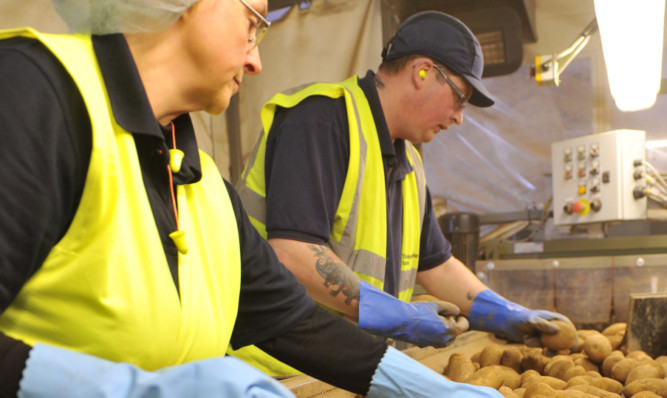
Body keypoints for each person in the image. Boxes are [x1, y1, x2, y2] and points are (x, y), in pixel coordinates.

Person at [0, 1, 505, 397]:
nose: (256, 60)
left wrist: (431, 390)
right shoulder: (33, 94)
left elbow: (294, 322)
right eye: (253, 23)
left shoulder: (204, 187)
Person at [237, 10, 575, 365]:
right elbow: (292, 254)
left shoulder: (409, 163)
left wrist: (507, 313)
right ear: (422, 72)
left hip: (344, 369)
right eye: (460, 98)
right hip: (277, 370)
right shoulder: (321, 119)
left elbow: (437, 265)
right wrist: (397, 314)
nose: (460, 117)